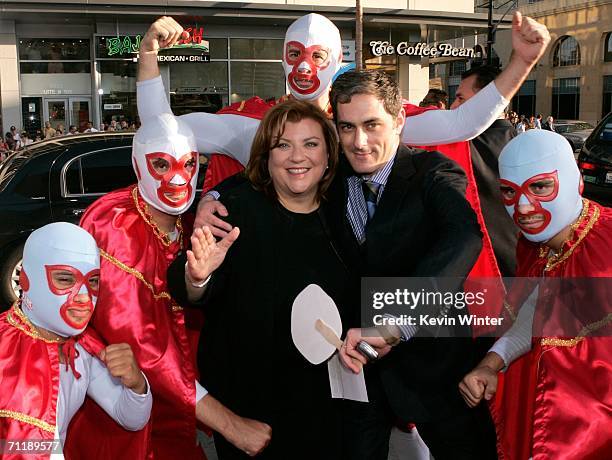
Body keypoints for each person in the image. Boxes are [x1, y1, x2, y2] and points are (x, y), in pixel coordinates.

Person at [138, 12, 542, 213]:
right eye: (294, 55)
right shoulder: (249, 123)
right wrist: (148, 57)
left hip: (349, 267)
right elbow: (162, 130)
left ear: (335, 62)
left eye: (317, 56)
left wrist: (520, 64)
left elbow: (461, 123)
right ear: (282, 59)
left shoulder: (361, 123)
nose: (303, 67)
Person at [64, 110, 271, 459]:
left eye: (189, 165)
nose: (178, 179)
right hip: (119, 415)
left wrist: (212, 197)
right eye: (161, 165)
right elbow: (144, 344)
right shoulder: (115, 223)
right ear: (137, 163)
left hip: (178, 411)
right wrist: (230, 425)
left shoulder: (191, 224)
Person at [167, 100, 354, 459]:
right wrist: (198, 276)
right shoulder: (234, 210)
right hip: (250, 416)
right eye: (283, 145)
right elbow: (188, 285)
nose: (297, 156)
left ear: (330, 156)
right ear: (267, 157)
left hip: (327, 408)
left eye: (310, 144)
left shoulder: (345, 211)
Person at [329, 70, 497, 460]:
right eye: (347, 127)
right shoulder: (331, 175)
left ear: (399, 121)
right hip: (358, 373)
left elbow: (463, 237)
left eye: (372, 125)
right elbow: (276, 171)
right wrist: (212, 196)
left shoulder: (434, 173)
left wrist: (398, 319)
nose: (359, 142)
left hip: (438, 370)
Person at [459, 130, 612, 459]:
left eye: (540, 186)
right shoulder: (535, 245)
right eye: (509, 193)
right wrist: (490, 365)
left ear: (576, 182)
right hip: (551, 421)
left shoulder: (605, 249)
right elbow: (535, 315)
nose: (524, 206)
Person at [0, 222, 153, 455]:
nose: (83, 297)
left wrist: (136, 384)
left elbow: (130, 418)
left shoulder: (82, 346)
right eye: (65, 279)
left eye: (92, 281)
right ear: (26, 281)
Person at [451, 65, 518, 277]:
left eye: (460, 98)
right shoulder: (523, 143)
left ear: (486, 101)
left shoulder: (460, 145)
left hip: (480, 274)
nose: (453, 106)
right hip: (522, 267)